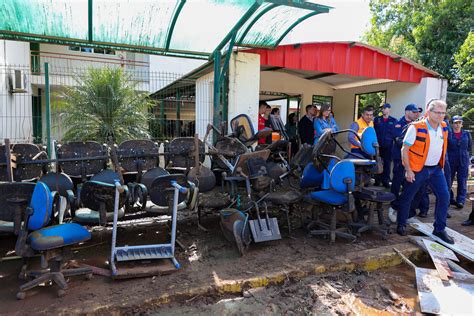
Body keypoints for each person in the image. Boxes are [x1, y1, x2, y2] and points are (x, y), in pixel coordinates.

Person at [396, 99, 454, 244]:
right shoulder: (416, 127)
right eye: (437, 113)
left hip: (436, 169)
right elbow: (405, 149)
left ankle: (439, 229)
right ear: (429, 112)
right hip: (418, 169)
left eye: (443, 113)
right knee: (407, 196)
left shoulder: (444, 127)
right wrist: (408, 170)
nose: (441, 116)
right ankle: (401, 223)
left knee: (444, 196)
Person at [448, 115, 472, 209]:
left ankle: (460, 201)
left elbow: (470, 147)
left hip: (463, 160)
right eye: (455, 123)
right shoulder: (448, 134)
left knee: (462, 181)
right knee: (448, 181)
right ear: (452, 124)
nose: (457, 125)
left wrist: (467, 157)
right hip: (451, 160)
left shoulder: (466, 134)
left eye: (459, 123)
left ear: (462, 124)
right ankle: (449, 198)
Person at [373, 103, 397, 187]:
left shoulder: (394, 121)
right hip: (378, 147)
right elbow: (373, 132)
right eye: (382, 108)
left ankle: (385, 181)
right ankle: (377, 180)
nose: (382, 110)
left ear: (389, 109)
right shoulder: (377, 119)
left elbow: (395, 134)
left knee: (387, 164)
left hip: (388, 146)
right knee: (377, 163)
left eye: (384, 108)